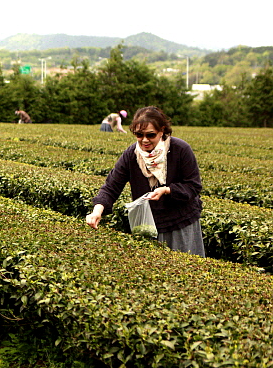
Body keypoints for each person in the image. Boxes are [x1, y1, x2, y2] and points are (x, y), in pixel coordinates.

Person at [86, 106, 205, 256]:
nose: (144, 140)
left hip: (180, 223)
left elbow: (193, 186)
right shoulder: (131, 155)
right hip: (149, 224)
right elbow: (111, 186)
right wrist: (97, 211)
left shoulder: (180, 149)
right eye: (139, 135)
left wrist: (167, 190)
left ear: (162, 131)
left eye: (150, 135)